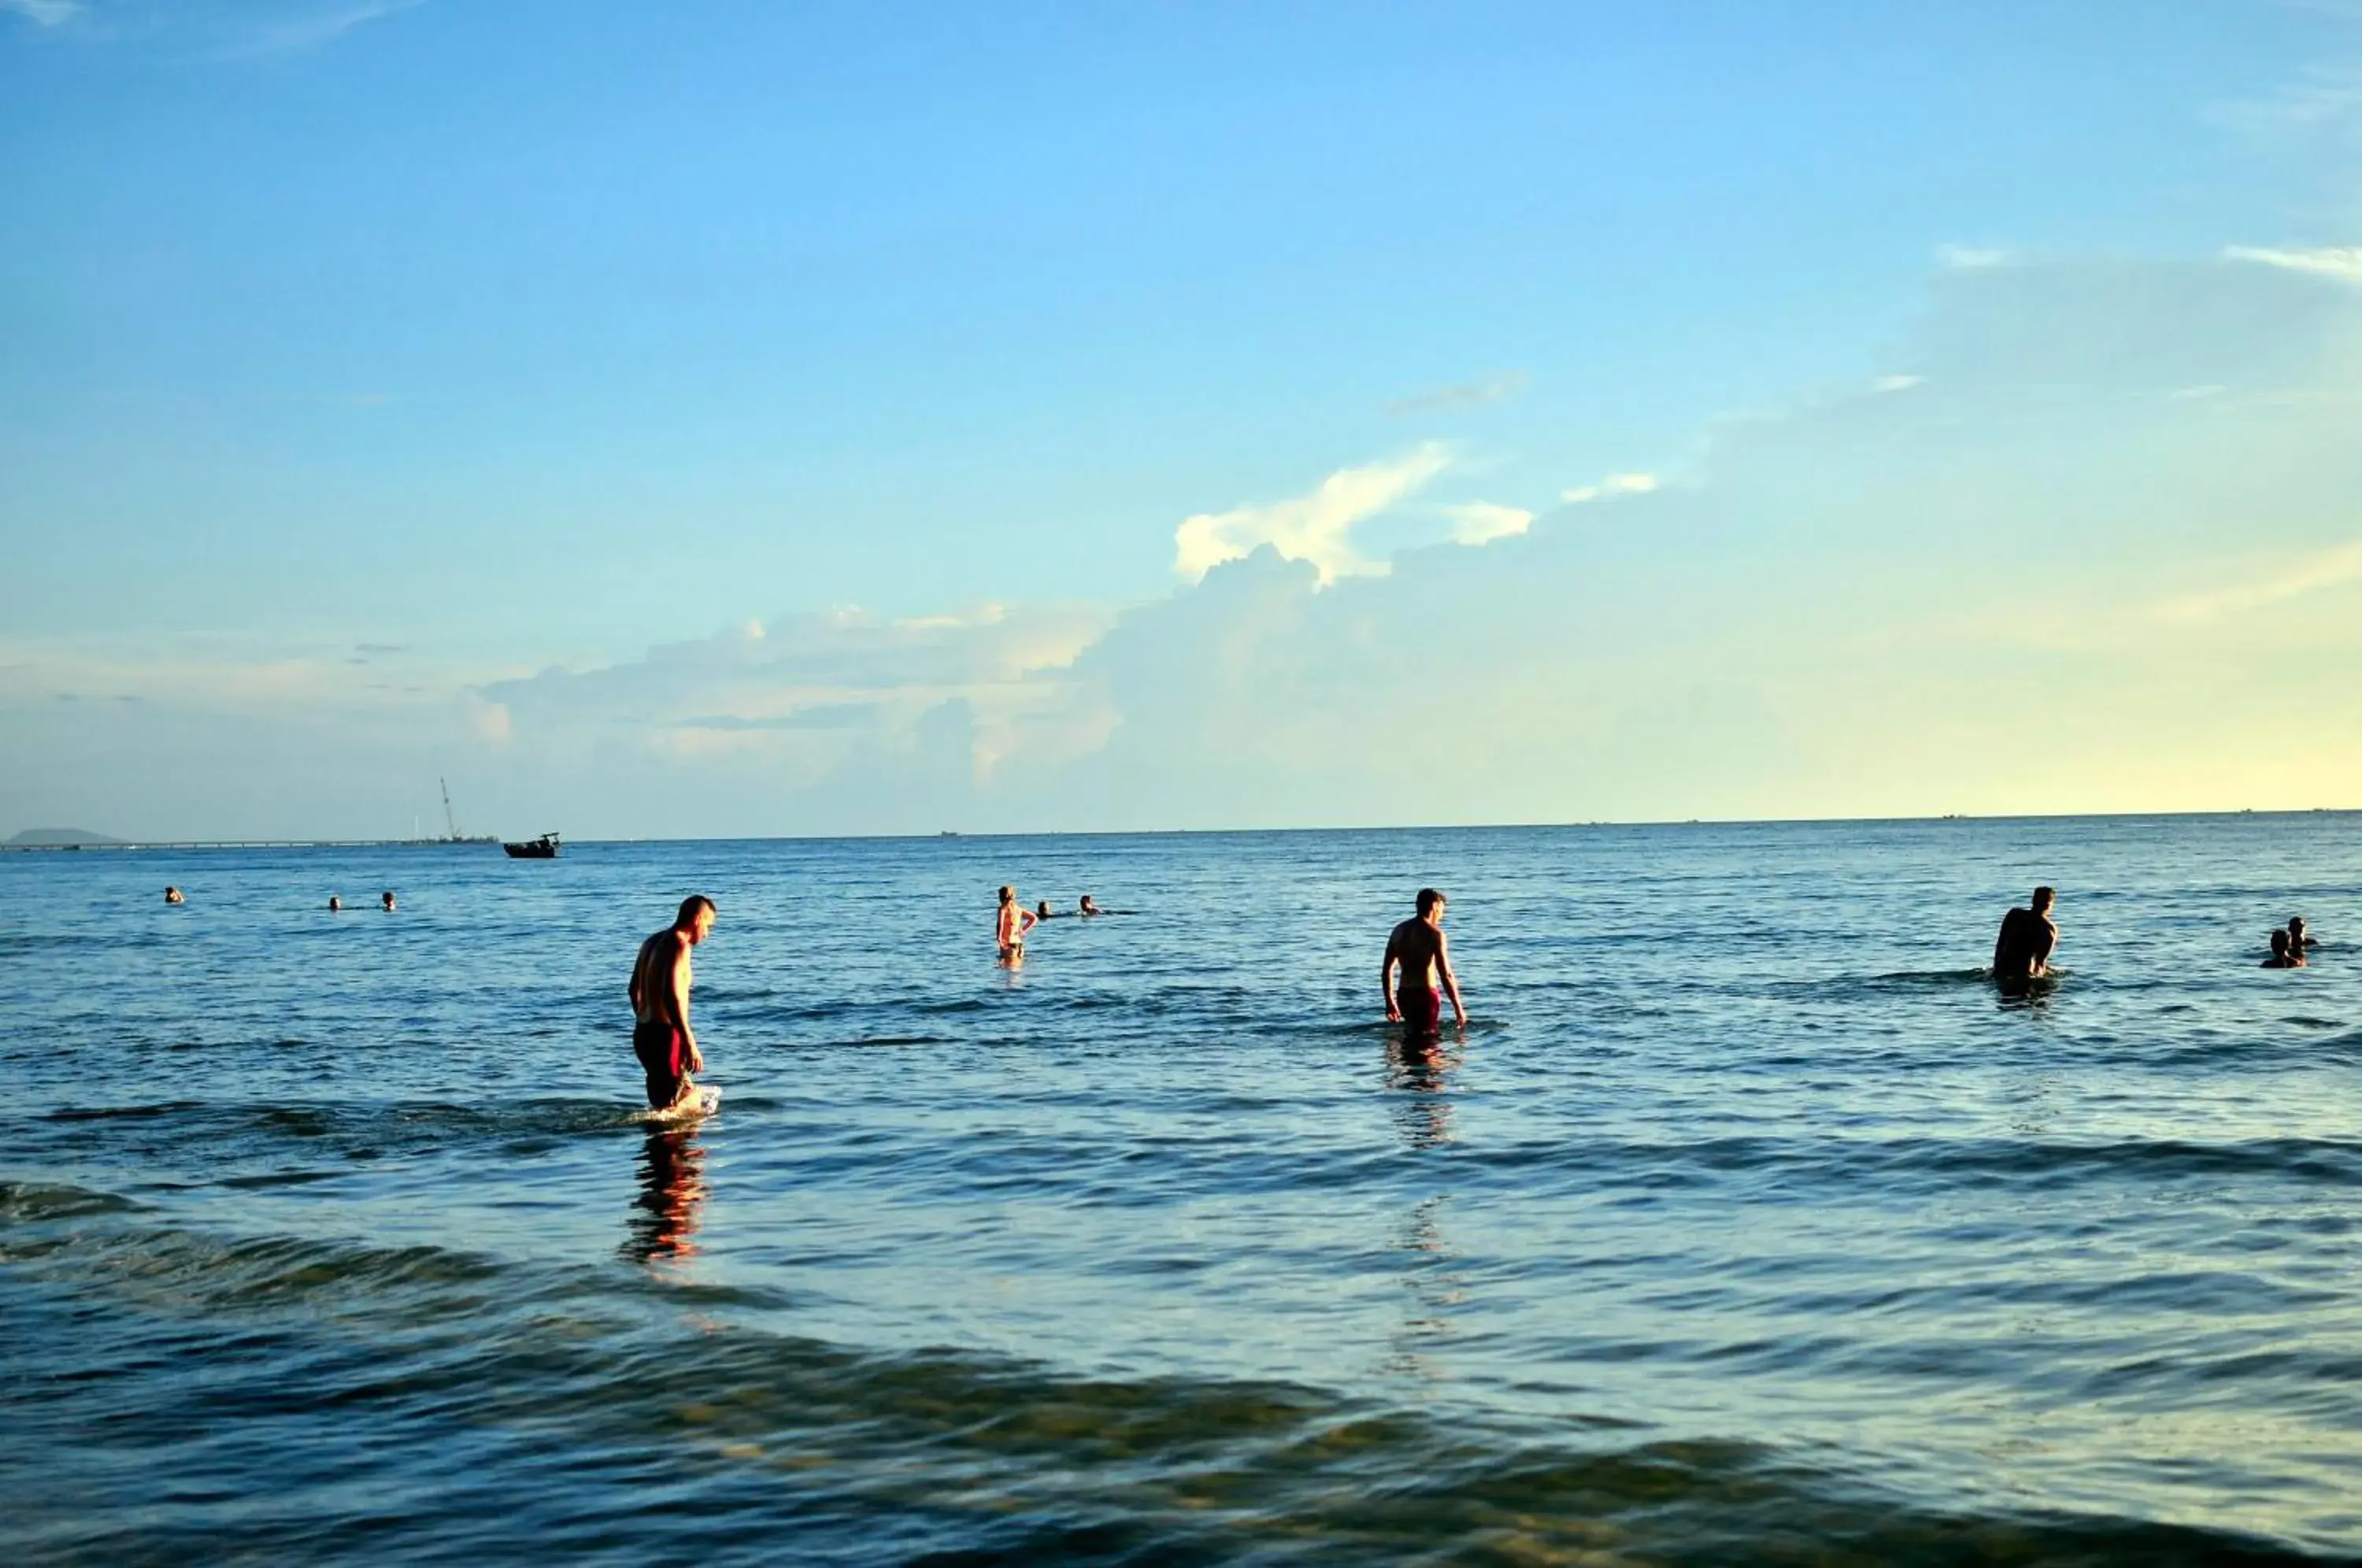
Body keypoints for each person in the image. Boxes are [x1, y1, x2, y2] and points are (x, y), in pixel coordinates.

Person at [629, 895, 716, 1111]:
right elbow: (672, 994)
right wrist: (688, 1040)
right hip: (666, 1035)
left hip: (643, 1033)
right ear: (697, 919)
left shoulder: (650, 942)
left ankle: (665, 1141)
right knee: (676, 1107)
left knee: (665, 1101)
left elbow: (633, 990)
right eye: (708, 925)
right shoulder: (679, 946)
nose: (707, 933)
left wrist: (645, 1017)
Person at [1383, 887, 1468, 1036]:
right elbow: (1446, 974)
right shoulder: (1435, 934)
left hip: (1404, 995)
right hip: (1425, 996)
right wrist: (1458, 1007)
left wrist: (1390, 1002)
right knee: (1429, 1044)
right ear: (1434, 906)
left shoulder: (1398, 931)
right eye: (1442, 910)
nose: (1442, 915)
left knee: (1410, 1042)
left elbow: (1387, 970)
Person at [1992, 886, 2057, 989]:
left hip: (2004, 968)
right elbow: (2041, 962)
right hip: (2026, 974)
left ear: (2032, 900)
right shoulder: (2048, 929)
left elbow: (2000, 944)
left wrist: (1996, 967)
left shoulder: (2014, 915)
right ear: (2050, 904)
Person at [996, 885, 1037, 966]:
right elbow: (1034, 918)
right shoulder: (1017, 909)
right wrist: (1023, 930)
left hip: (1008, 945)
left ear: (1002, 897)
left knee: (1005, 973)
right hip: (1019, 945)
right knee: (1016, 974)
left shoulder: (1003, 909)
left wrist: (999, 938)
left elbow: (1000, 924)